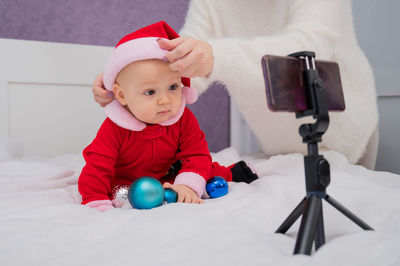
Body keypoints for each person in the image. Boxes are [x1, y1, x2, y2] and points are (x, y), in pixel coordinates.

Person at [92, 0, 378, 169]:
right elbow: (186, 58)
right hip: (281, 146)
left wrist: (217, 57)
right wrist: (128, 80)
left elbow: (309, 47)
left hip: (346, 132)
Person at [79, 21, 258, 212]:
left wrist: (187, 186)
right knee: (120, 193)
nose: (165, 100)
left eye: (173, 87)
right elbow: (97, 166)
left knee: (203, 169)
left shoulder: (183, 119)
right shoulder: (115, 127)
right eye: (150, 92)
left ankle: (232, 172)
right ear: (122, 95)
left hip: (168, 172)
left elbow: (196, 153)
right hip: (129, 179)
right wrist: (95, 199)